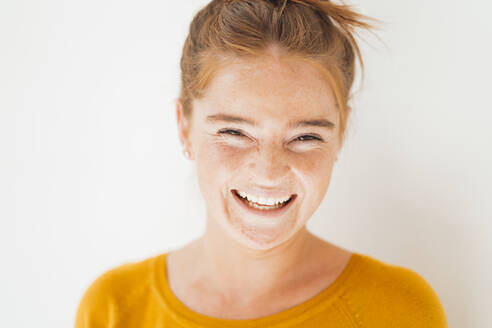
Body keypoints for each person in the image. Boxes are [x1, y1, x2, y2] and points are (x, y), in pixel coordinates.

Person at [75, 0, 448, 326]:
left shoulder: (399, 310)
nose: (269, 171)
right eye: (235, 133)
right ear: (184, 127)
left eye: (305, 137)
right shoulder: (113, 308)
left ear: (341, 132)